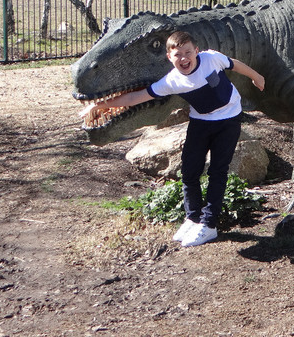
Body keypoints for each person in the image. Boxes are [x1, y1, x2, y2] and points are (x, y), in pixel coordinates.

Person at [79, 31, 265, 248]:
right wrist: (101, 105)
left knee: (218, 171)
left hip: (229, 119)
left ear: (196, 51)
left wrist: (256, 76)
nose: (184, 58)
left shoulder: (211, 58)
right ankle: (193, 217)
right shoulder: (172, 81)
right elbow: (136, 97)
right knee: (189, 170)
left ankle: (209, 224)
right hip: (201, 121)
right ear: (169, 57)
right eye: (178, 55)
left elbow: (234, 64)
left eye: (188, 52)